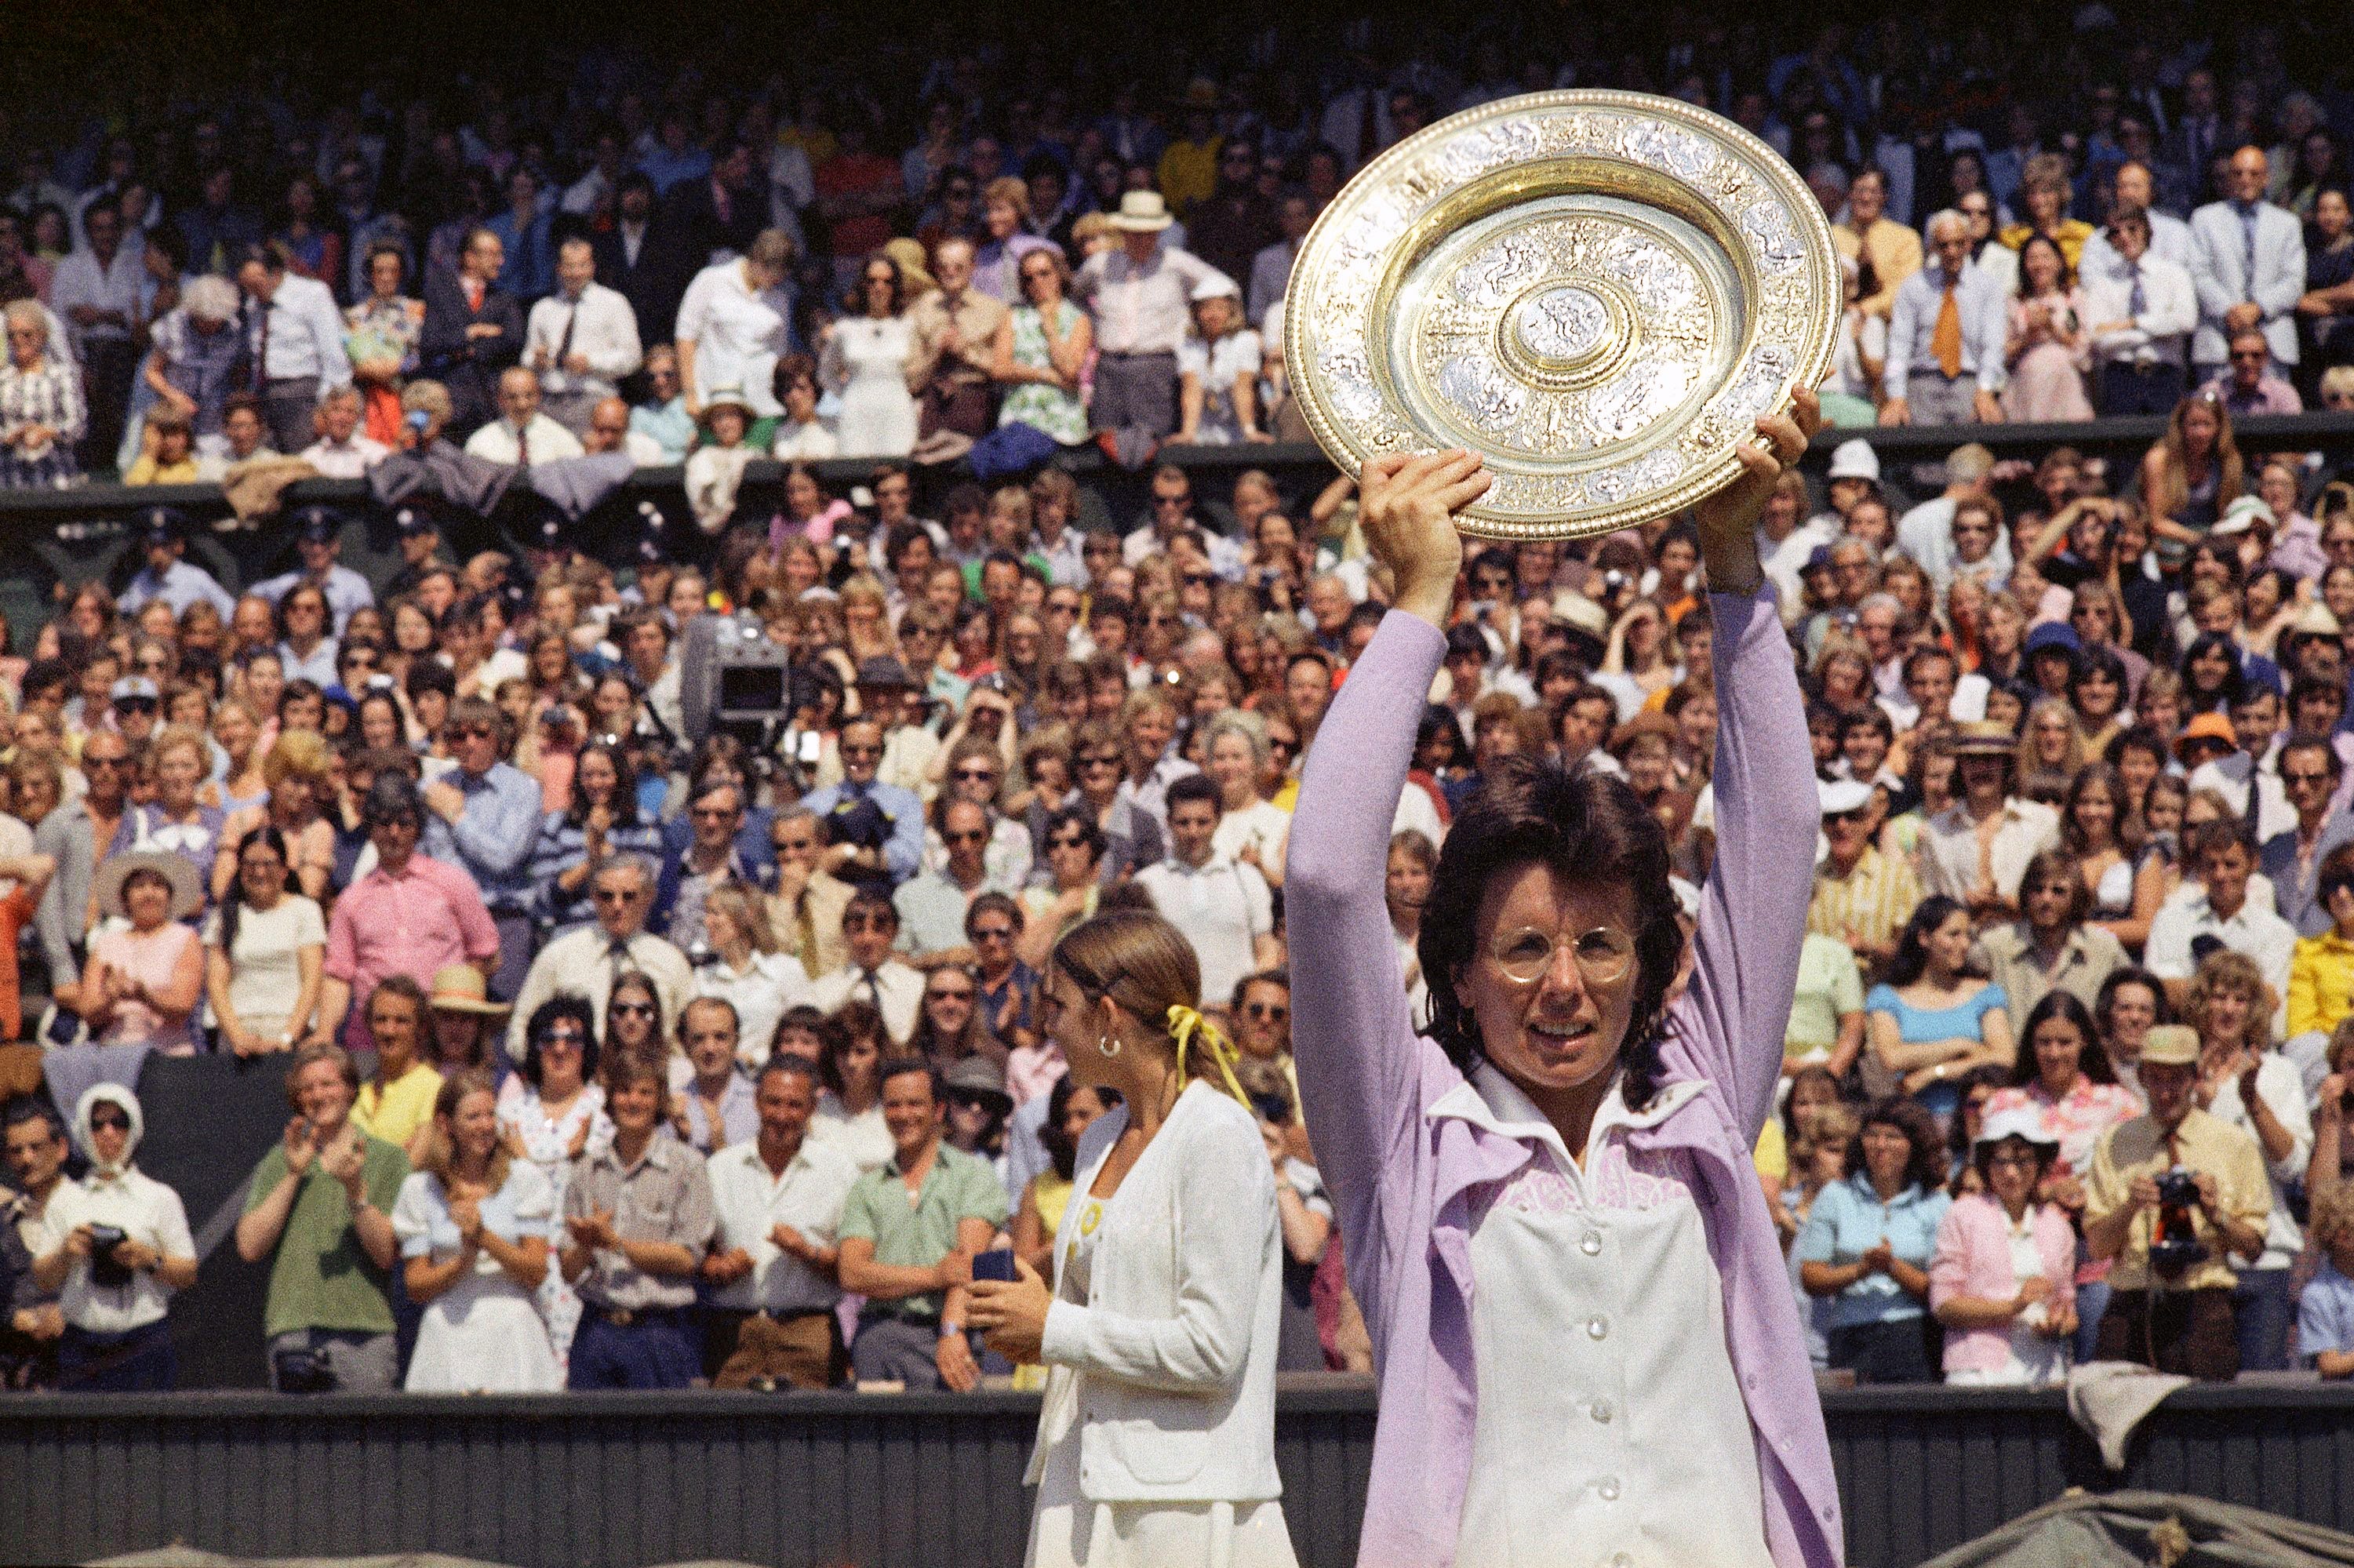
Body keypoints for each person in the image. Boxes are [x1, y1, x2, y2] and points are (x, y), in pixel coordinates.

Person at [1288, 395, 1846, 1565]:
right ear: (1457, 968)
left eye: (1599, 944)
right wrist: (1419, 603)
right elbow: (1332, 876)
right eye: (1524, 946)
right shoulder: (1403, 1139)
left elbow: (1780, 829)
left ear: (1647, 967)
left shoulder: (1701, 1097)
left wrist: (1732, 561)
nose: (1564, 985)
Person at [965, 909, 1294, 1567]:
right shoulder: (1096, 1138)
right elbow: (1109, 1304)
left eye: (1056, 1006)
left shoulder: (1218, 1135)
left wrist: (1053, 1327)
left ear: (1109, 1015)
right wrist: (1033, 1310)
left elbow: (1212, 1349)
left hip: (1188, 1510)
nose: (1046, 1026)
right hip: (1079, 1481)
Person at [2084, 1024, 2272, 1379]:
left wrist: (2215, 1214)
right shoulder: (2115, 1142)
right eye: (2155, 1079)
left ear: (2196, 1078)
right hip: (2134, 1297)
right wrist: (2130, 1208)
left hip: (2203, 1301)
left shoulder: (2231, 1143)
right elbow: (2096, 1247)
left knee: (2203, 1422)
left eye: (2177, 1080)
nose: (2166, 1092)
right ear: (2140, 1077)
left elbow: (2254, 1249)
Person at [835, 1056, 1009, 1390]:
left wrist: (952, 1331)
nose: (903, 1115)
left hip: (947, 1333)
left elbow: (967, 1263)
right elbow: (852, 1272)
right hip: (878, 1337)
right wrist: (934, 1276)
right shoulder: (868, 1187)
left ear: (939, 1110)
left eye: (915, 1104)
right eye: (893, 1105)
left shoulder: (973, 1175)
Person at [394, 1069, 562, 1392]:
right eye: (473, 1117)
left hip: (513, 1333)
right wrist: (463, 1261)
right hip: (445, 1334)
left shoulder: (523, 1179)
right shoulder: (420, 1189)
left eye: (490, 1115)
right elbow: (415, 1285)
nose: (486, 1126)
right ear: (446, 1125)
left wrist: (483, 1237)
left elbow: (536, 1270)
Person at [558, 1047, 716, 1390]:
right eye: (625, 1091)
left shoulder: (687, 1166)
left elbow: (688, 1258)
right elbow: (569, 1270)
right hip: (596, 1330)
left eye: (645, 1092)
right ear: (611, 1099)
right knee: (589, 1442)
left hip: (659, 1332)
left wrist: (614, 1243)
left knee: (662, 1442)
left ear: (659, 1099)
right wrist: (588, 1245)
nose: (634, 1101)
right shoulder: (586, 1170)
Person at [700, 1055, 861, 1388]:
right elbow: (697, 1257)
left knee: (809, 1438)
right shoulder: (720, 1169)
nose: (782, 1115)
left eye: (794, 1105)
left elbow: (855, 1267)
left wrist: (807, 1252)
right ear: (757, 1101)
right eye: (773, 1102)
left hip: (809, 1334)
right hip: (735, 1334)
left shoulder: (839, 1172)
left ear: (810, 1110)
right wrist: (719, 1268)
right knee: (730, 1438)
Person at [2185, 949, 2312, 1370]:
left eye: (2240, 999)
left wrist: (2251, 1099)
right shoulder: (2179, 1074)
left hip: (2265, 1255)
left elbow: (2292, 1167)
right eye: (2219, 997)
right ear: (2201, 1005)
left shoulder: (2279, 1072)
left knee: (2262, 1393)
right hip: (2198, 1257)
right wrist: (2199, 1104)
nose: (2228, 1009)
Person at [30, 1085, 197, 1391]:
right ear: (84, 1129)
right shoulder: (65, 1199)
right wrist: (67, 1252)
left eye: (119, 1123)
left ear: (133, 1129)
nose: (108, 1133)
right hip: (82, 1343)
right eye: (97, 1124)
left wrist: (147, 1258)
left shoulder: (159, 1197)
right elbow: (43, 1278)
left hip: (144, 1342)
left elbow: (187, 1273)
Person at [317, 777, 501, 1050]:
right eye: (383, 823)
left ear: (418, 829)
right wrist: (324, 1031)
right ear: (370, 829)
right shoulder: (351, 900)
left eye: (404, 823)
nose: (394, 833)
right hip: (376, 1031)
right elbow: (338, 976)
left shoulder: (452, 882)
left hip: (437, 1027)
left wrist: (454, 1000)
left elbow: (487, 954)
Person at [1796, 1099, 1951, 1383]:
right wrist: (1861, 1270)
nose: (1881, 1145)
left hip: (1915, 1336)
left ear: (1914, 1145)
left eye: (1892, 1137)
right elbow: (1811, 1276)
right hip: (1850, 1334)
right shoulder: (1835, 1196)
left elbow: (1942, 1290)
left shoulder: (1937, 1204)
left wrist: (1892, 1266)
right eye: (1872, 1135)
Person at [496, 995, 610, 1372]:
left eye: (572, 1039)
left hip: (575, 1264)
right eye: (549, 1039)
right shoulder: (510, 1112)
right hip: (520, 1262)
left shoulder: (602, 1110)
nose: (560, 1049)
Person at [1927, 1108, 2077, 1386]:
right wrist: (2013, 1307)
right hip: (1977, 1373)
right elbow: (1944, 1305)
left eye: (2023, 1161)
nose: (2011, 1173)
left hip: (2046, 1373)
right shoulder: (1962, 1214)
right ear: (1986, 1164)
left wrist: (2058, 1323)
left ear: (2040, 1164)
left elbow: (2067, 1307)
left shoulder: (2057, 1225)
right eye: (2001, 1161)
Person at [506, 853, 693, 1060]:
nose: (617, 906)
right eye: (607, 896)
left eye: (629, 896)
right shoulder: (560, 955)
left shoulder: (671, 961)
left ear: (649, 897)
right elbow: (519, 1029)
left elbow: (692, 1035)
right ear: (593, 897)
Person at [1866, 896, 2015, 1122]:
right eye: (1953, 935)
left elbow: (2004, 1059)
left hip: (1973, 1121)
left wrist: (1933, 1073)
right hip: (1913, 1123)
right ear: (1925, 938)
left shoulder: (1985, 994)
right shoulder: (1887, 997)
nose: (1964, 944)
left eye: (1968, 935)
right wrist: (1962, 1045)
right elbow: (1893, 1058)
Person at [1136, 773, 1278, 1009]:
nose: (1193, 833)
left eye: (1203, 822)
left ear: (1218, 820)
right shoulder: (1146, 883)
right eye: (1183, 823)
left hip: (1233, 1020)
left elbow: (1266, 952)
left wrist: (1242, 1008)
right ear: (1169, 822)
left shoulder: (1246, 878)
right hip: (1171, 1019)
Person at [2187, 145, 2305, 384]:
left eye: (2253, 174)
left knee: (2275, 418)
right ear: (2229, 177)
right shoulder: (2204, 219)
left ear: (2266, 178)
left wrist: (2258, 307)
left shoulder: (2287, 223)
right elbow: (2199, 274)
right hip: (2219, 340)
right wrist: (2231, 310)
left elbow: (2294, 281)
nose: (2245, 180)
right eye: (2238, 173)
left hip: (2272, 340)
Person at [206, 825, 325, 1057]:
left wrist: (287, 1038)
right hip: (237, 1035)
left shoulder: (305, 911)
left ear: (283, 869)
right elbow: (216, 984)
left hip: (290, 1034)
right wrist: (238, 1038)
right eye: (250, 865)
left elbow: (312, 980)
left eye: (268, 864)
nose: (259, 873)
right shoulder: (224, 916)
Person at [1881, 210, 2007, 427]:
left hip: (1970, 383)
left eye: (1959, 243)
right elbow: (1899, 346)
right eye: (1944, 245)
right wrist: (1896, 396)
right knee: (1921, 456)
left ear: (1969, 243)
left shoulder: (1988, 287)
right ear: (1933, 247)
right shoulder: (1914, 287)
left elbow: (1993, 345)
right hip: (1922, 383)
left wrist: (1985, 390)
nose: (1952, 251)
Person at [1974, 849, 2127, 1021]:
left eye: (2058, 891)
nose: (2046, 899)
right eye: (2038, 890)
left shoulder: (2104, 950)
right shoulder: (1995, 947)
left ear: (2076, 897)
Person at [79, 851, 206, 1055]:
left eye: (157, 886)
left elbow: (183, 1006)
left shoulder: (185, 937)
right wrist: (110, 995)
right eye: (139, 887)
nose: (149, 894)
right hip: (115, 1050)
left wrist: (146, 995)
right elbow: (87, 1011)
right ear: (125, 898)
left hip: (167, 1052)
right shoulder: (107, 943)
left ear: (169, 895)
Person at [2085, 206, 2197, 417]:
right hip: (2120, 375)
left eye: (2132, 229)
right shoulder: (2104, 283)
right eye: (2116, 232)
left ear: (2146, 230)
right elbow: (2099, 337)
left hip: (2164, 373)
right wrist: (2158, 330)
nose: (2125, 237)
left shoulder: (2174, 274)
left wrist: (2132, 323)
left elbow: (2186, 320)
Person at [349, 976, 444, 1166]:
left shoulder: (434, 1087)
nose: (389, 1031)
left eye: (402, 1021)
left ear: (421, 1028)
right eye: (381, 1020)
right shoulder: (359, 1087)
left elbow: (410, 1168)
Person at [0, 297, 83, 489]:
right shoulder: (4, 377)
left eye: (26, 334)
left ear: (43, 335)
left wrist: (45, 433)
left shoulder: (63, 374)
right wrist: (11, 436)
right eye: (12, 335)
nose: (19, 340)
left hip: (55, 474)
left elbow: (76, 425)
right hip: (10, 476)